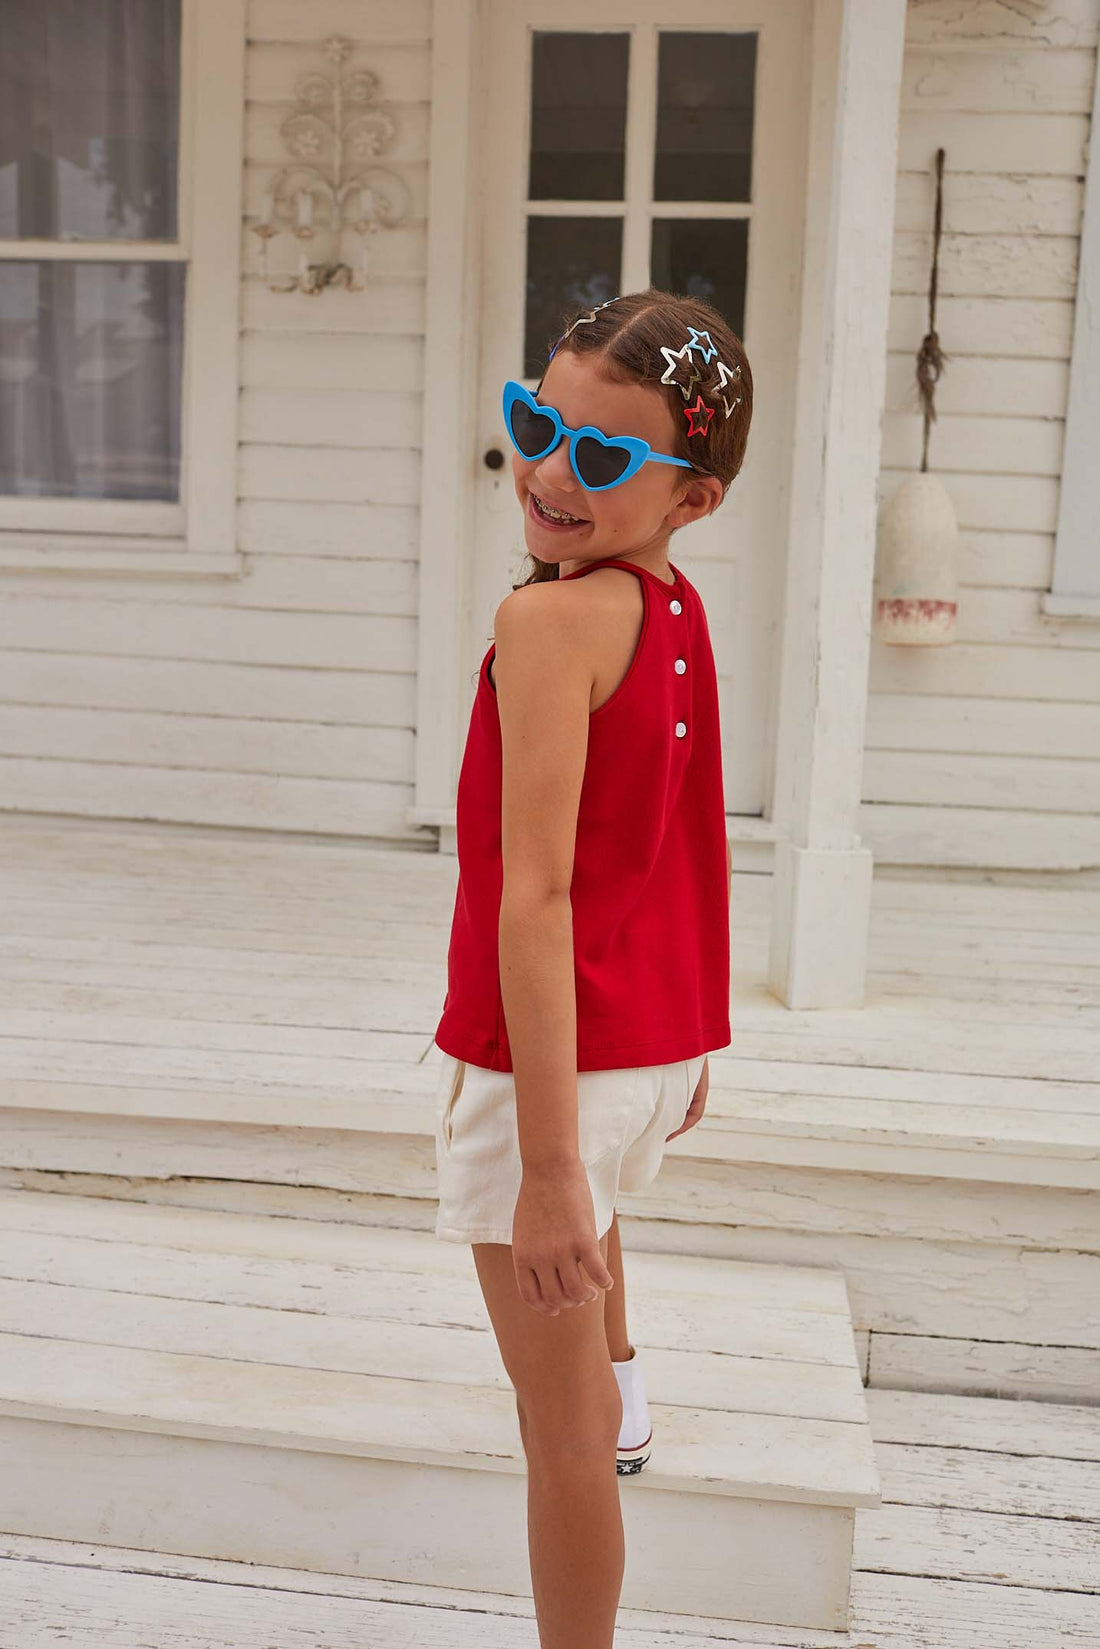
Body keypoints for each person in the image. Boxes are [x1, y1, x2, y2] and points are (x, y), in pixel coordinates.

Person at [431, 287, 752, 1648]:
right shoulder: (669, 606)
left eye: (606, 455)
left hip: (548, 1067)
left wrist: (551, 1167)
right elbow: (685, 841)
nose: (553, 472)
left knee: (554, 1443)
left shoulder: (548, 625)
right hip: (641, 1039)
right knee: (591, 1342)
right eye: (536, 424)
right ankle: (624, 1381)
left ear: (695, 497)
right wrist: (692, 1034)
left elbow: (539, 895)